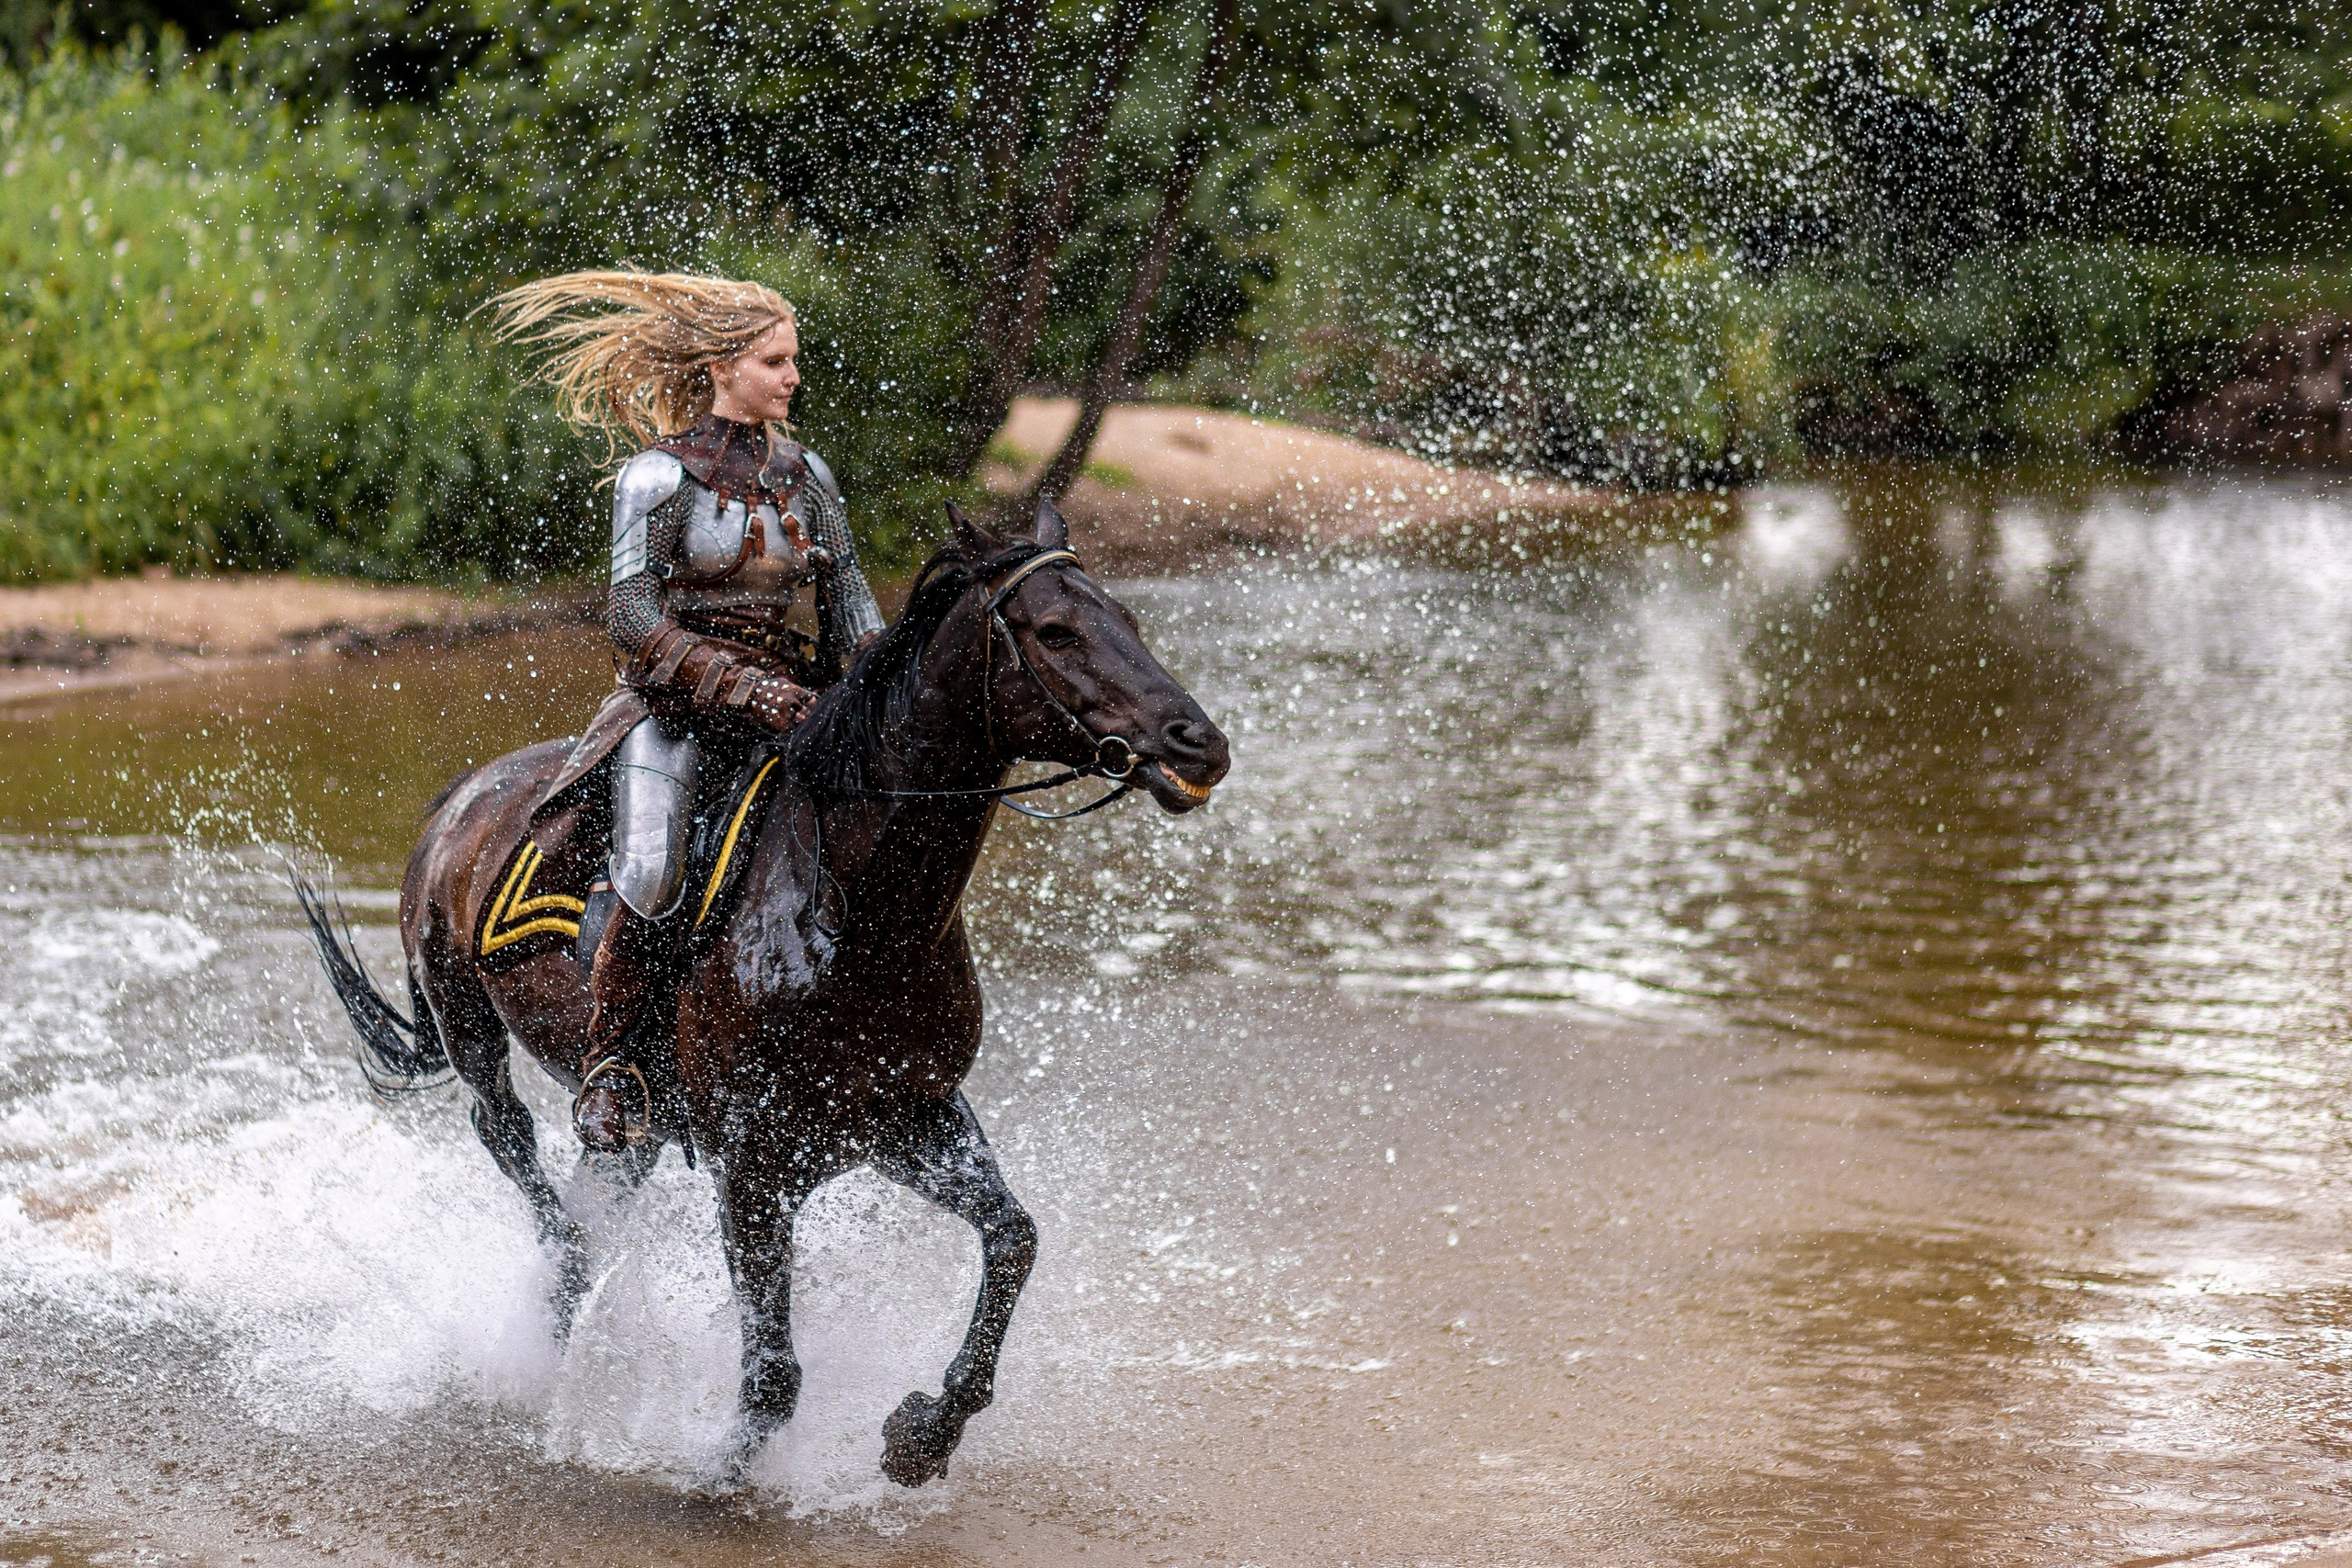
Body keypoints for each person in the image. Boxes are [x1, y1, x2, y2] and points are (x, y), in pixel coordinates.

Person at [488, 270, 885, 1151]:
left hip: (796, 709)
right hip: (673, 715)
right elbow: (632, 617)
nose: (792, 378)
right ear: (723, 366)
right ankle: (613, 1064)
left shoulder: (808, 474)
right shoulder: (656, 476)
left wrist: (877, 678)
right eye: (773, 362)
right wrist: (744, 688)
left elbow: (850, 596)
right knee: (656, 867)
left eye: (793, 361)